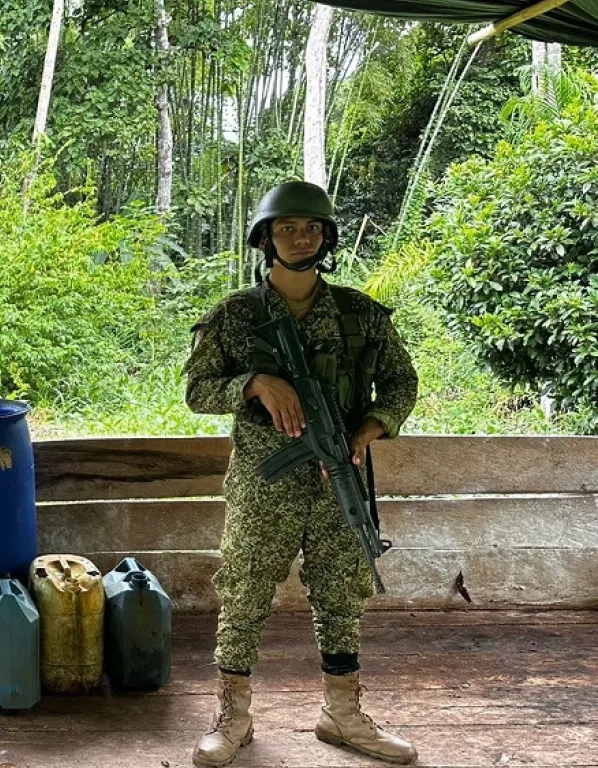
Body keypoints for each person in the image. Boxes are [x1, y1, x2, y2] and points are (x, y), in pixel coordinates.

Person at [183, 181, 419, 766]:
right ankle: (232, 716)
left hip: (337, 478)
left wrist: (369, 429)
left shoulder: (359, 313)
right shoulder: (236, 316)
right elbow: (197, 390)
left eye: (312, 227)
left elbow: (400, 383)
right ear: (265, 238)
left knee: (342, 593)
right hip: (267, 481)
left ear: (326, 237)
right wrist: (254, 383)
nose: (300, 237)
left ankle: (341, 714)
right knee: (246, 592)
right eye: (287, 227)